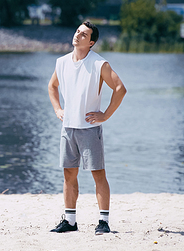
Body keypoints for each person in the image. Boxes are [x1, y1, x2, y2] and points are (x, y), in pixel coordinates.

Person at [48, 21, 127, 235]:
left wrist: (105, 115)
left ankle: (103, 222)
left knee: (98, 174)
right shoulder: (62, 62)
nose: (78, 35)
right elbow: (52, 86)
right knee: (68, 175)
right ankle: (70, 221)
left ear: (91, 42)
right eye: (77, 31)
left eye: (84, 34)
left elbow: (120, 89)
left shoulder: (99, 64)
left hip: (90, 129)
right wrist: (58, 109)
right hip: (68, 128)